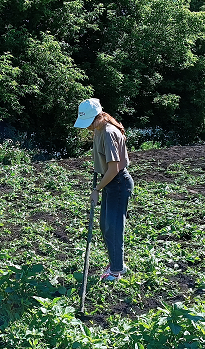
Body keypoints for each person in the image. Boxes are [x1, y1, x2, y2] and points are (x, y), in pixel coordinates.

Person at [73, 98, 134, 281]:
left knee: (113, 228)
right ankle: (116, 262)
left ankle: (117, 271)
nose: (87, 127)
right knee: (105, 226)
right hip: (109, 181)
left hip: (117, 182)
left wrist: (96, 189)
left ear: (97, 117)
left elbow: (114, 167)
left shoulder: (108, 131)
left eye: (88, 123)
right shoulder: (99, 129)